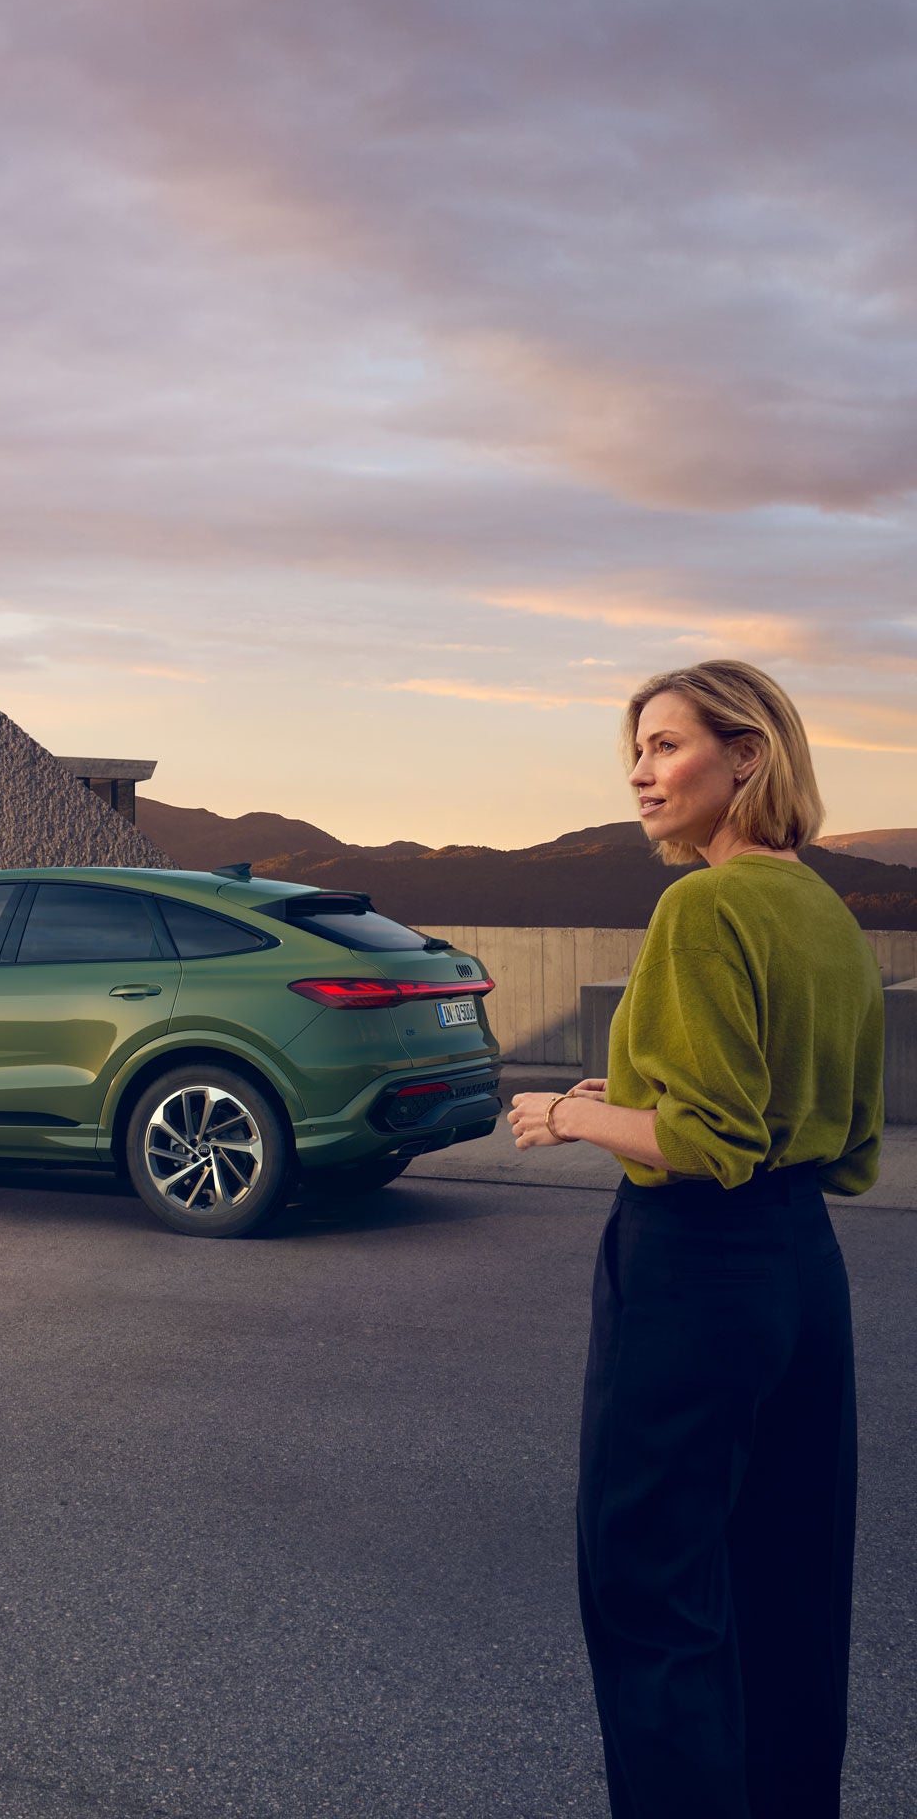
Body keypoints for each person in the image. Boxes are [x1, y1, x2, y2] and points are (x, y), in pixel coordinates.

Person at [507, 659, 884, 1819]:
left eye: (667, 746)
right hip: (802, 1269)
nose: (640, 773)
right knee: (788, 1584)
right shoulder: (823, 909)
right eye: (637, 751)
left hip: (694, 1267)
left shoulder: (705, 904)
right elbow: (811, 1127)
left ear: (749, 756)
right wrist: (626, 1088)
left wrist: (567, 1113)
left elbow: (709, 1140)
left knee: (652, 1593)